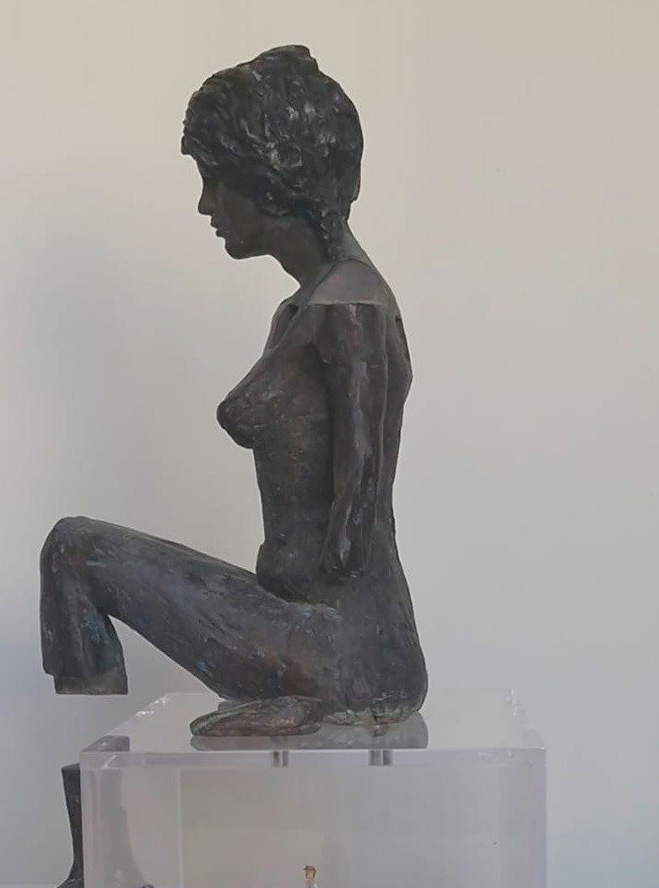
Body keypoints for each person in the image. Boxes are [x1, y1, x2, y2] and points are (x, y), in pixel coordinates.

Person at [40, 45, 427, 739]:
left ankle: (94, 770)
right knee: (73, 552)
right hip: (313, 630)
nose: (205, 204)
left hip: (344, 648)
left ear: (271, 178)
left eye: (215, 181)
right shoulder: (317, 303)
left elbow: (353, 527)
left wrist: (303, 680)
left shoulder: (351, 309)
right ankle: (97, 775)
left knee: (76, 553)